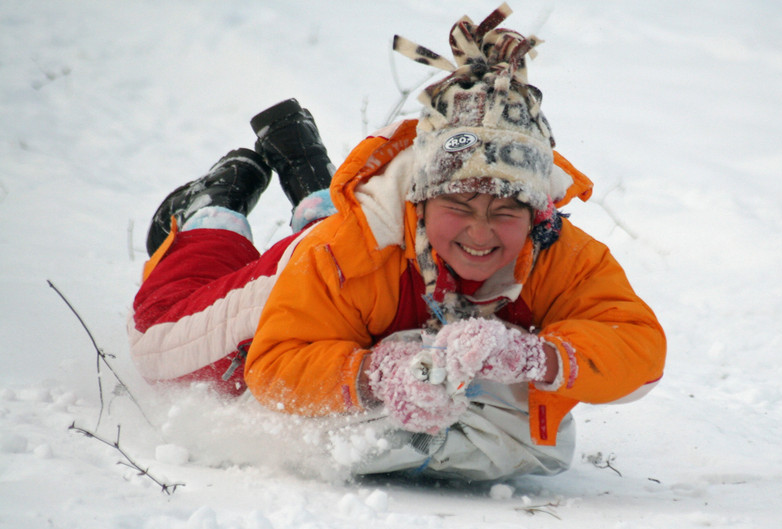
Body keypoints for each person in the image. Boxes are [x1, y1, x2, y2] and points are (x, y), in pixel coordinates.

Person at [129, 5, 666, 481]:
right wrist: (374, 376)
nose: (480, 235)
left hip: (347, 248)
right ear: (419, 200)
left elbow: (639, 346)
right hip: (307, 266)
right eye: (458, 208)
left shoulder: (559, 251)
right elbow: (275, 365)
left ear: (538, 212)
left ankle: (315, 186)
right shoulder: (348, 253)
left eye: (504, 212)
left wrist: (535, 356)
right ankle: (211, 212)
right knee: (160, 343)